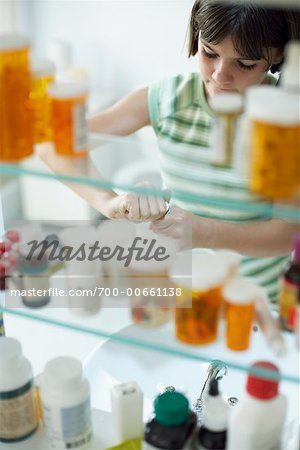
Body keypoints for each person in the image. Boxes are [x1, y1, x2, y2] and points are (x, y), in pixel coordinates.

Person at [40, 0, 300, 301]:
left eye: (244, 64)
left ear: (278, 54)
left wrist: (203, 232)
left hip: (253, 304)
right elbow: (51, 145)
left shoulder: (284, 121)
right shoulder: (169, 99)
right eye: (209, 53)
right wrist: (108, 202)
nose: (219, 75)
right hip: (179, 292)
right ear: (196, 36)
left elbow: (286, 233)